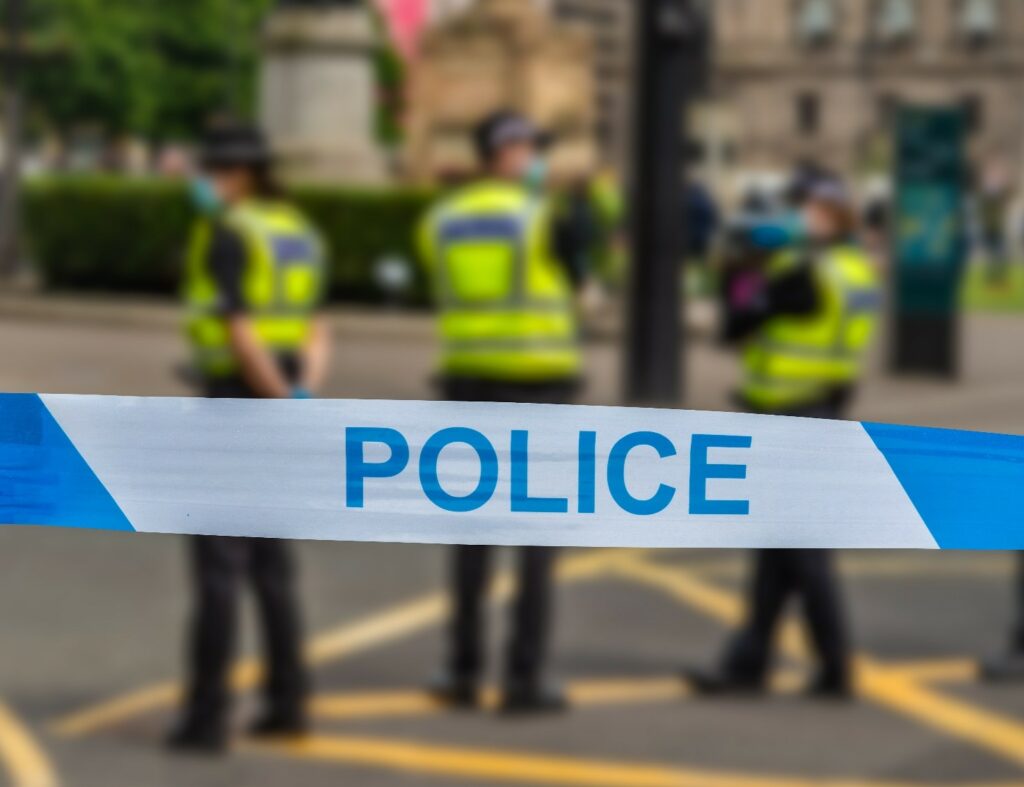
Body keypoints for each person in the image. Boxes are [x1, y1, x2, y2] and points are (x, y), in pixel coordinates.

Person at [685, 178, 880, 700]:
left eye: (808, 209)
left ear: (831, 215)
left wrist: (735, 274)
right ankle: (749, 662)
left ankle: (834, 664)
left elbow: (740, 322)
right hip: (822, 408)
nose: (798, 218)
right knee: (778, 551)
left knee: (801, 554)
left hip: (787, 414)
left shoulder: (804, 271)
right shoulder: (855, 270)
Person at [168, 123, 329, 752]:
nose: (202, 183)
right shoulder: (296, 230)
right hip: (283, 396)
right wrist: (300, 394)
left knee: (218, 569)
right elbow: (318, 324)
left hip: (237, 402)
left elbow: (239, 330)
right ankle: (289, 701)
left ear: (234, 174)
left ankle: (206, 719)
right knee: (272, 565)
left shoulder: (230, 232)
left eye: (209, 171)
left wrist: (270, 396)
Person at [418, 110, 583, 714]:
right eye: (530, 148)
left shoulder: (443, 219)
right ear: (505, 152)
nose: (536, 159)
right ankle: (524, 677)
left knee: (470, 535)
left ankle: (461, 670)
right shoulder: (540, 215)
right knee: (535, 538)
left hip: (466, 383)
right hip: (538, 384)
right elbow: (578, 283)